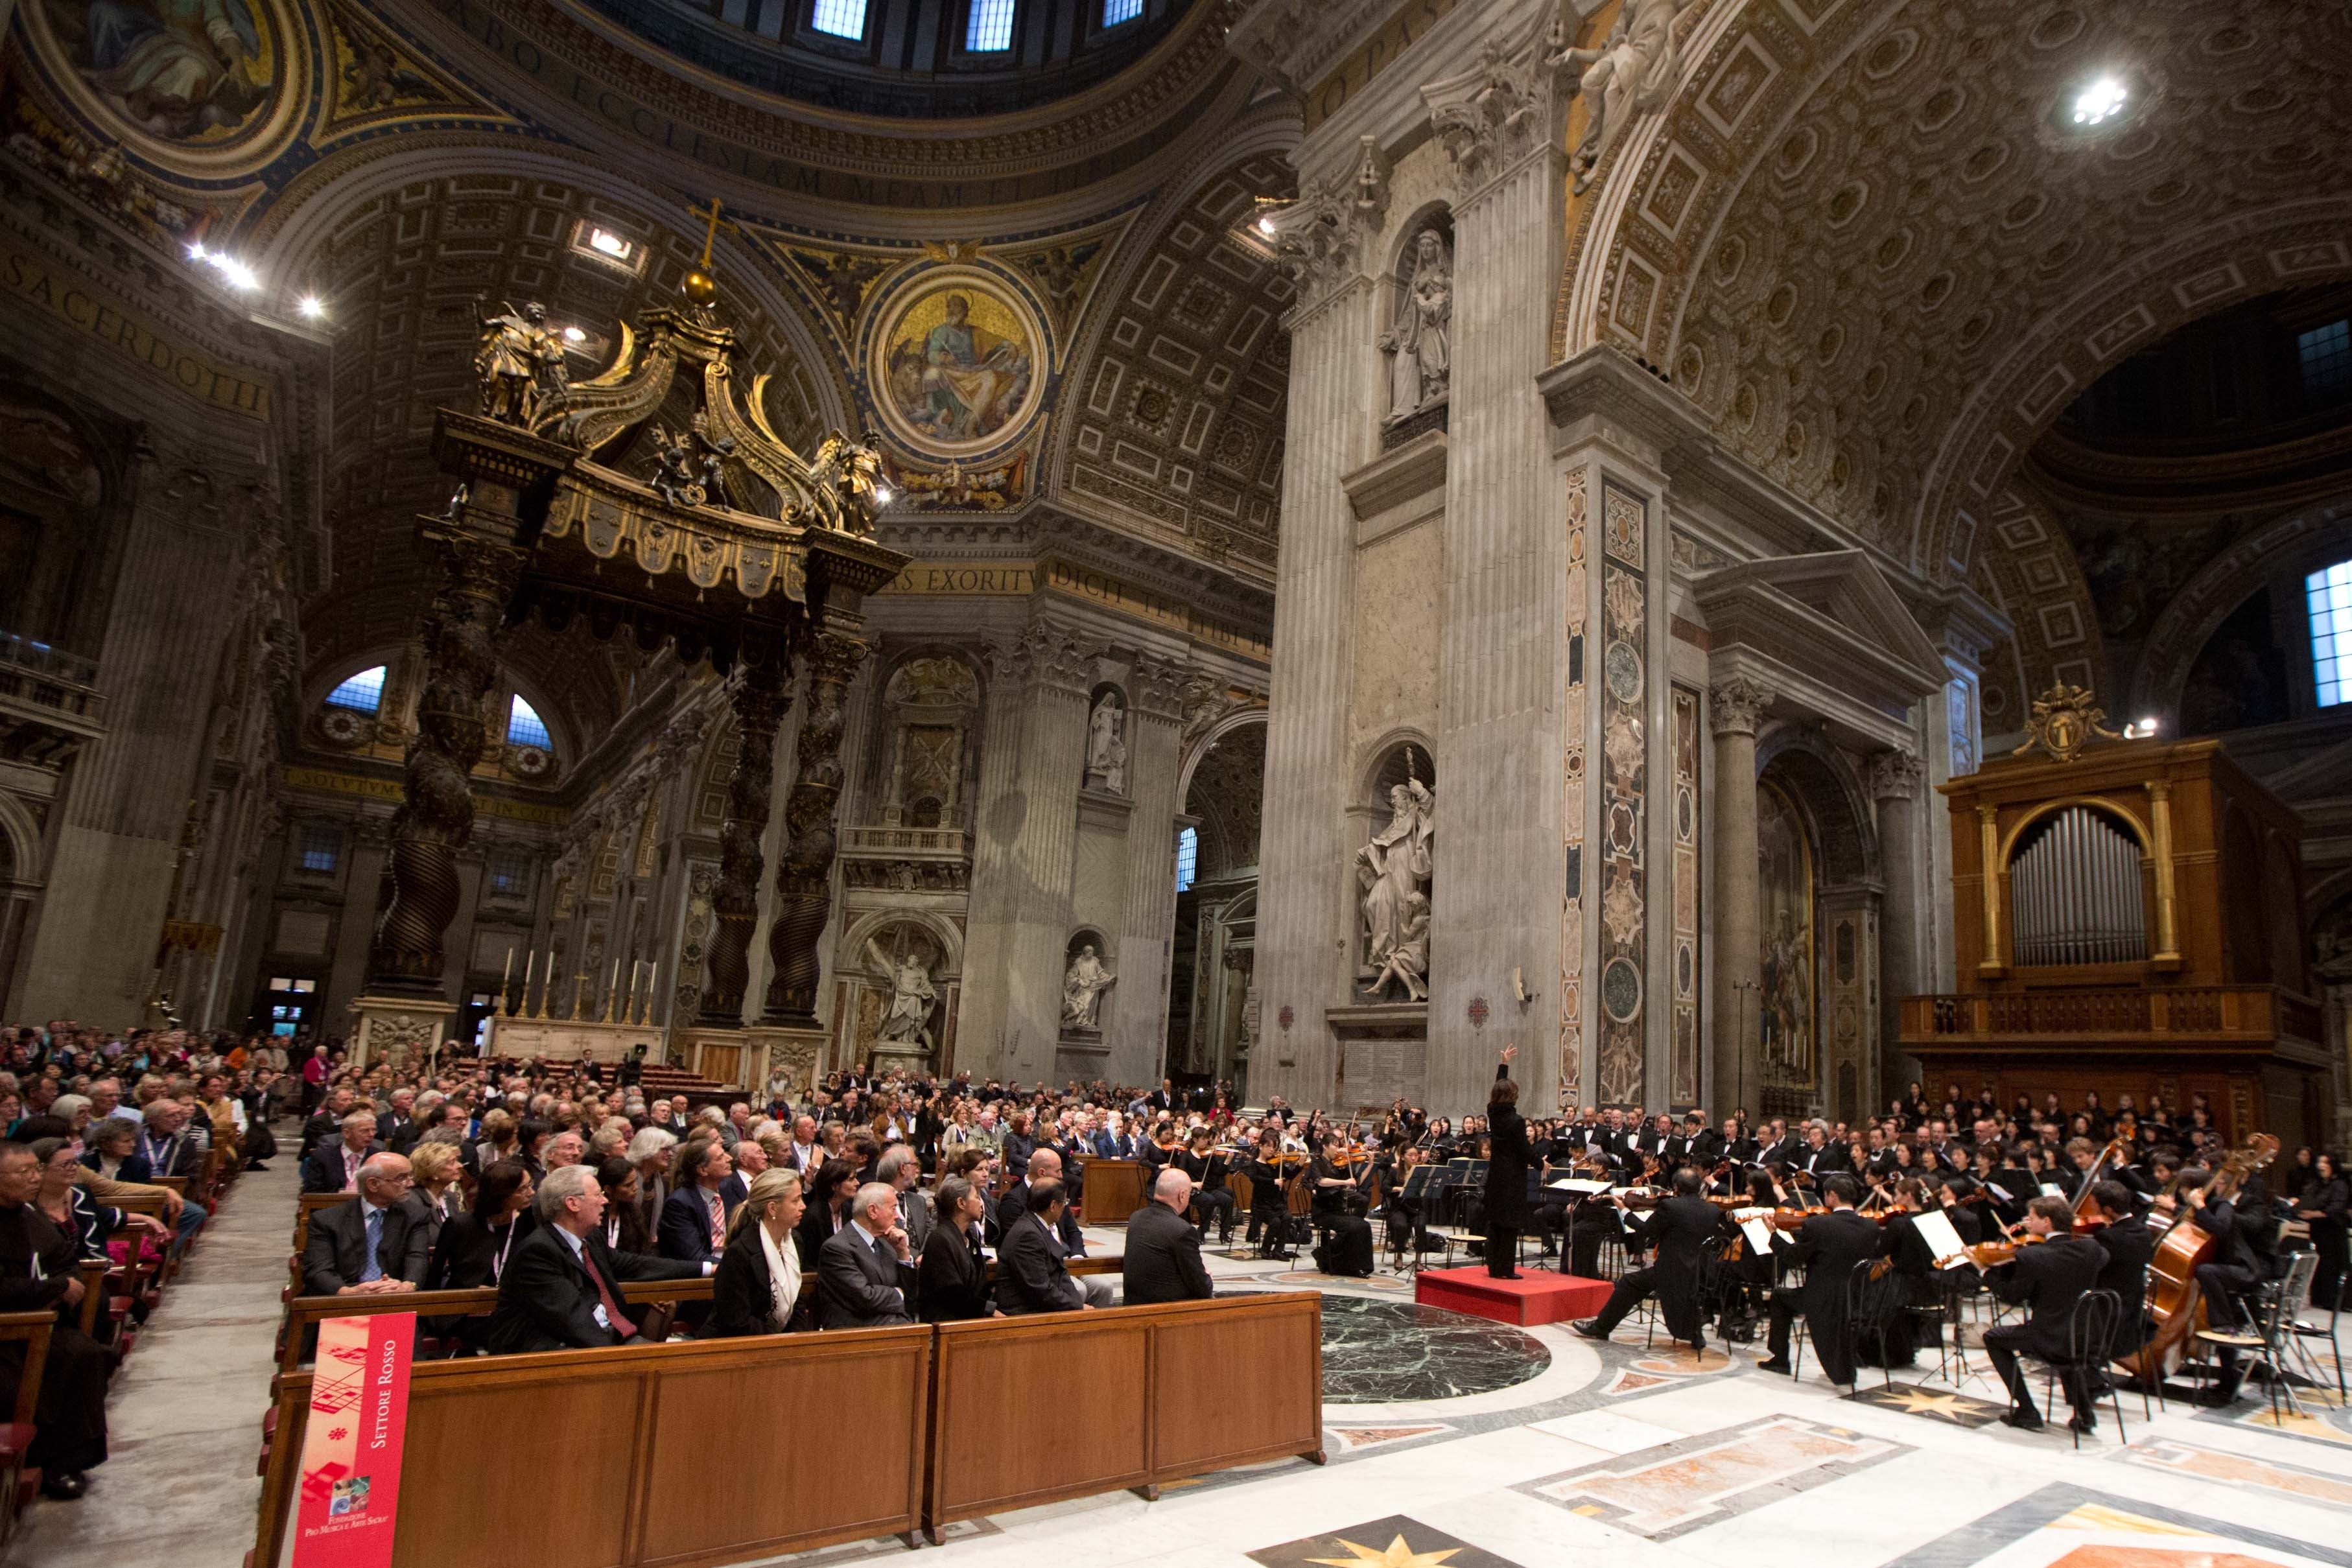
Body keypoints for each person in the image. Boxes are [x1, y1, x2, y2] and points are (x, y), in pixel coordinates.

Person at [487, 1165, 705, 1353]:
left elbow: (636, 1264)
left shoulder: (590, 1240)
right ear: (573, 1204)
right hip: (554, 1353)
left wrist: (706, 1268)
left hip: (603, 1339)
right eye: (598, 1195)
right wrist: (624, 1358)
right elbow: (573, 1321)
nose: (605, 1201)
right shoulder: (538, 1252)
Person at [0, 1141, 112, 1498]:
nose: (35, 1178)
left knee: (84, 1353)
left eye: (36, 1169)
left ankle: (65, 1462)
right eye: (25, 1172)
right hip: (8, 1327)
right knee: (16, 1379)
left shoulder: (29, 1213)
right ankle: (31, 1459)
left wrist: (65, 1282)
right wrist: (55, 1286)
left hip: (43, 1320)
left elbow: (65, 1258)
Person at [1980, 1195, 2111, 1433]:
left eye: (2033, 1218)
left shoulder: (2033, 1256)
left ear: (2047, 1222)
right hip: (2088, 1337)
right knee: (2068, 1350)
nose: (2028, 1222)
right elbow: (2102, 1259)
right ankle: (2085, 1414)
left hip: (2049, 1338)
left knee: (1993, 1337)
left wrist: (1984, 1272)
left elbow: (2011, 1296)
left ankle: (2028, 1410)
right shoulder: (2092, 1249)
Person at [1571, 1167, 1722, 1352]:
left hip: (1669, 1271)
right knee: (1636, 1285)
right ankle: (1695, 1334)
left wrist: (1624, 1211)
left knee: (1628, 1283)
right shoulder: (1712, 1210)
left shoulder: (1671, 1206)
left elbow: (1645, 1231)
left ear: (1676, 1186)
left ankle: (1601, 1327)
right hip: (1698, 1272)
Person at [1758, 1173, 1883, 1383]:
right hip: (1859, 1299)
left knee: (1780, 1296)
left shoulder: (1818, 1225)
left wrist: (1773, 1234)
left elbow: (1793, 1258)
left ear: (1832, 1196)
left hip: (1823, 1300)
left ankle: (1780, 1360)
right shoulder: (1871, 1227)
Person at [302, 1154, 430, 1296]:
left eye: (410, 1176)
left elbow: (417, 1257)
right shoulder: (326, 1220)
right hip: (343, 1299)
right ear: (373, 1184)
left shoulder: (415, 1216)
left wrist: (407, 1286)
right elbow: (318, 1268)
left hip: (394, 1296)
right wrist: (347, 1292)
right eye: (402, 1178)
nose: (410, 1184)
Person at [708, 1169, 810, 1337]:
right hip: (735, 1346)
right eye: (796, 1200)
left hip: (780, 1342)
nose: (803, 1206)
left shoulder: (795, 1241)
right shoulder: (740, 1252)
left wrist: (797, 1340)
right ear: (772, 1208)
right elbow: (736, 1319)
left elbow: (797, 1299)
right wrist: (779, 1341)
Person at [816, 1181, 918, 1329]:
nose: (898, 1217)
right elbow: (865, 1298)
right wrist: (900, 1294)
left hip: (894, 1329)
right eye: (893, 1208)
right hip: (857, 1337)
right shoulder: (836, 1249)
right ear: (872, 1211)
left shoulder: (888, 1244)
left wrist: (903, 1253)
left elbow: (912, 1297)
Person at [996, 1178, 1092, 1315]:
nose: (1065, 1206)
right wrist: (1077, 1307)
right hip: (1024, 1311)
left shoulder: (1037, 1226)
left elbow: (1060, 1273)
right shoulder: (1028, 1235)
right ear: (1053, 1206)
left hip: (1042, 1304)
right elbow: (1039, 1288)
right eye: (1064, 1202)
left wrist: (1077, 1303)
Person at [1125, 1167, 1215, 1306]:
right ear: (1182, 1195)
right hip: (1167, 1310)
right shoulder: (1182, 1231)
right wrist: (1208, 1277)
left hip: (1133, 1303)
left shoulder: (1136, 1218)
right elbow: (1202, 1287)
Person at [1483, 1044, 1534, 1278]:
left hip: (1496, 1174)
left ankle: (1494, 1268)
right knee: (1510, 1224)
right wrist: (1541, 1163)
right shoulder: (1516, 1121)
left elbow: (1498, 1089)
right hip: (1513, 1176)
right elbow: (1524, 1149)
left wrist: (1503, 1065)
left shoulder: (1493, 1112)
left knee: (1495, 1223)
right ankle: (1507, 1270)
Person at [918, 1175, 993, 1323]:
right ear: (961, 1203)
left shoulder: (970, 1239)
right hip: (945, 1325)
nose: (981, 1204)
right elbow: (952, 1293)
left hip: (969, 1320)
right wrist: (989, 1310)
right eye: (976, 1197)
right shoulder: (939, 1239)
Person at [657, 1137, 736, 1267]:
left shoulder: (727, 1192)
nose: (729, 1158)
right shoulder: (680, 1203)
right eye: (720, 1157)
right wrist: (736, 1267)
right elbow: (693, 1256)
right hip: (698, 1277)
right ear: (702, 1170)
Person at [2294, 1151, 2346, 1308]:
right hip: (2318, 1231)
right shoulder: (2317, 1184)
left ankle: (2333, 1301)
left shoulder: (2340, 1185)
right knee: (2318, 1264)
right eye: (2320, 1163)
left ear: (2332, 1166)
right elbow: (2310, 1201)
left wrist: (2314, 1214)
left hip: (2332, 1231)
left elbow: (2336, 1209)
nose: (2321, 1166)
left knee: (2331, 1266)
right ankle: (2319, 1299)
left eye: (2325, 1163)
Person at [303, 1109, 384, 1193]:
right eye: (364, 1131)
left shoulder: (378, 1157)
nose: (371, 1135)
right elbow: (312, 1192)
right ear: (346, 1133)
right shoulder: (323, 1157)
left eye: (374, 1130)